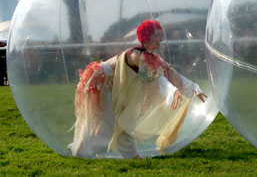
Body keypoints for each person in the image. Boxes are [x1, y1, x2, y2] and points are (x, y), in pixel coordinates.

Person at [68, 20, 207, 159]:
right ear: (147, 36)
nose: (161, 39)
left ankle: (81, 148)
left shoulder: (153, 58)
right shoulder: (136, 55)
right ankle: (125, 155)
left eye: (161, 35)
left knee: (118, 124)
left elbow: (168, 72)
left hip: (115, 90)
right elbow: (154, 77)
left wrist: (193, 88)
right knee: (115, 125)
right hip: (105, 87)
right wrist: (173, 91)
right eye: (157, 35)